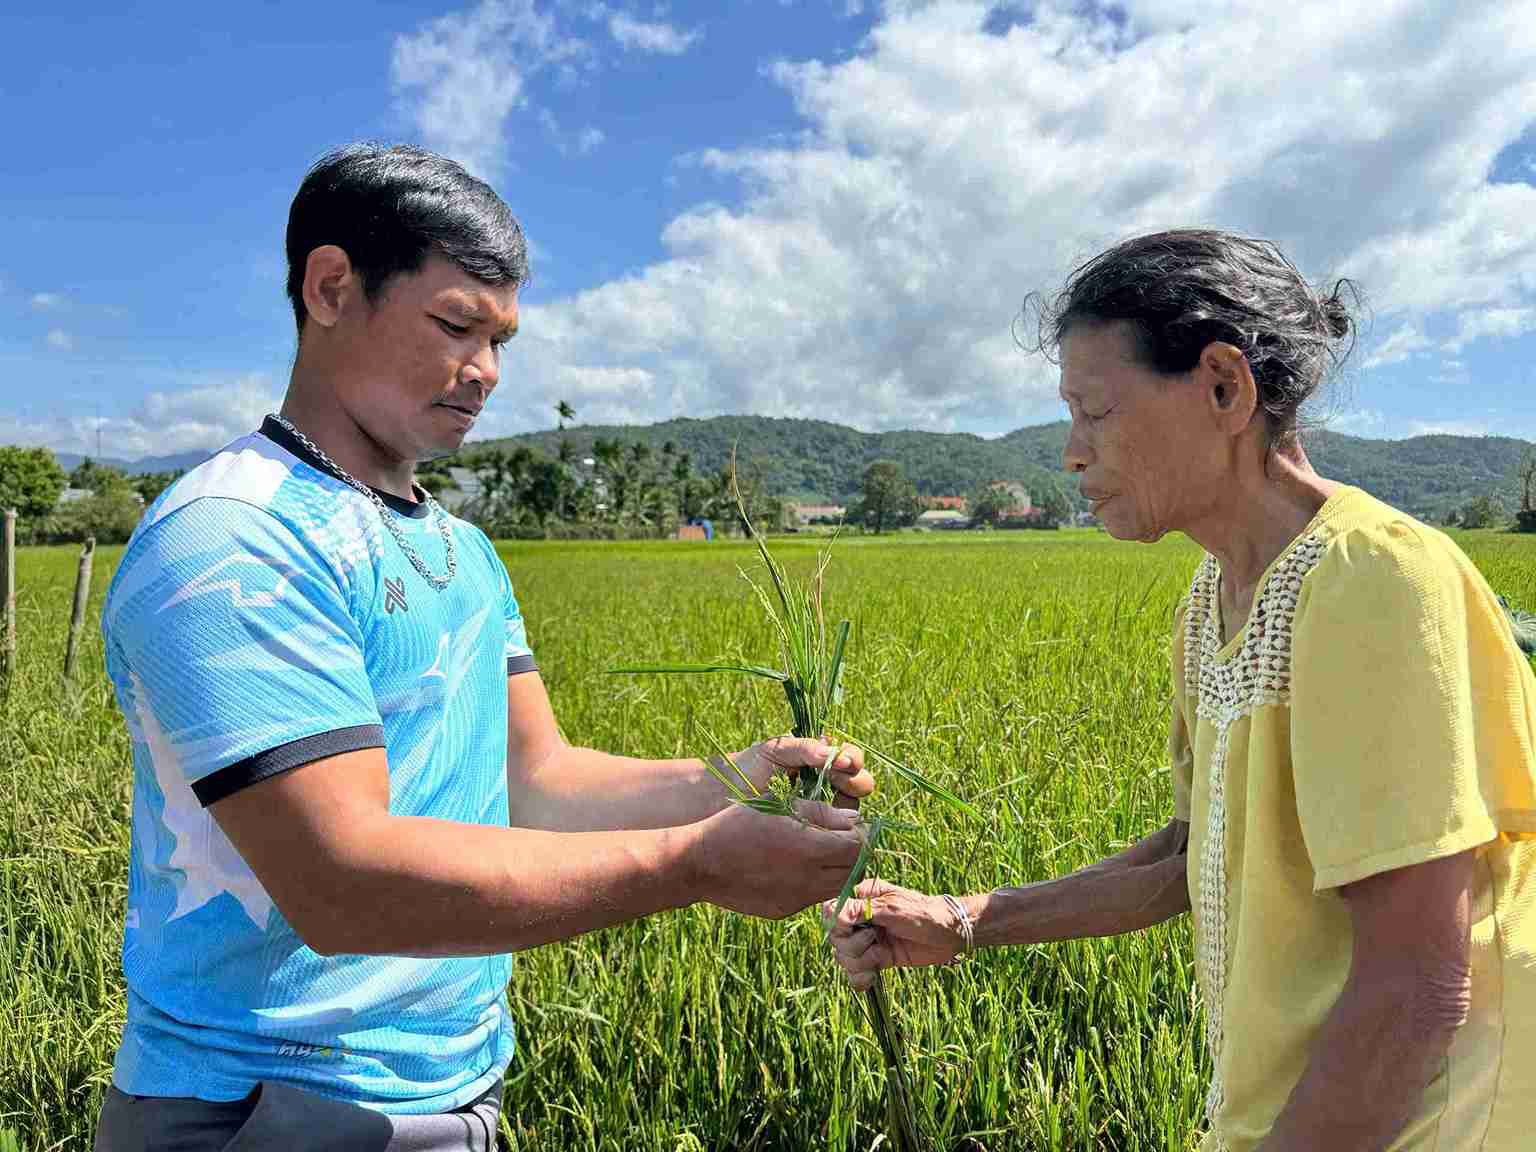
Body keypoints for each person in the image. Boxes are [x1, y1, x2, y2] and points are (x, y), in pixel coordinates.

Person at [94, 143, 874, 1152]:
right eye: (456, 325)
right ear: (330, 288)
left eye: (501, 339)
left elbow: (534, 779)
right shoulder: (232, 539)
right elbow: (344, 882)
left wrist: (731, 780)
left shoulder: (459, 550)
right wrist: (695, 864)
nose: (485, 373)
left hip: (451, 1090)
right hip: (259, 1108)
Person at [827, 229, 1536, 1151]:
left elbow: (1416, 987)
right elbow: (1197, 856)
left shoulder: (1372, 579)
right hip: (1303, 1103)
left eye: (1096, 411)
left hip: (1429, 1114)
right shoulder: (1213, 600)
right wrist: (963, 922)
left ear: (1221, 386)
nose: (1073, 453)